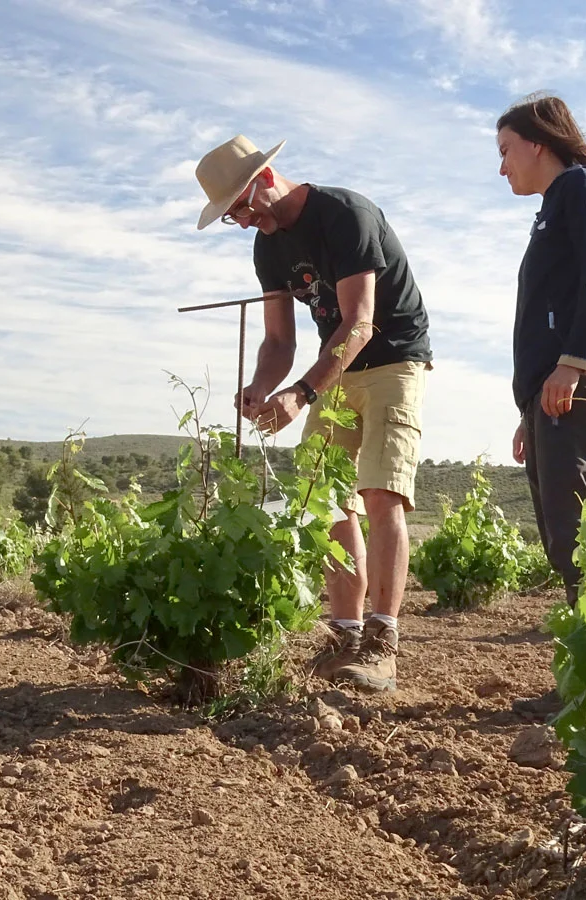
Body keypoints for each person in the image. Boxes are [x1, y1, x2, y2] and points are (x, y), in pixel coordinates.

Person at [193, 135, 433, 692]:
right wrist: (259, 387)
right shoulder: (267, 249)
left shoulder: (345, 215)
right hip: (336, 368)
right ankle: (345, 634)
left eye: (242, 207)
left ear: (265, 179)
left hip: (395, 359)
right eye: (232, 217)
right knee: (324, 500)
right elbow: (279, 340)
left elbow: (360, 323)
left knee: (381, 493)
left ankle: (382, 642)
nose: (245, 220)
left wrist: (301, 394)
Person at [497, 95, 586, 714]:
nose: (502, 168)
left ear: (538, 142)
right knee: (561, 534)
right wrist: (530, 409)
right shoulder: (555, 207)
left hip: (577, 379)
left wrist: (574, 364)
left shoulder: (582, 188)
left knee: (578, 534)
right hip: (553, 391)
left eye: (505, 151)